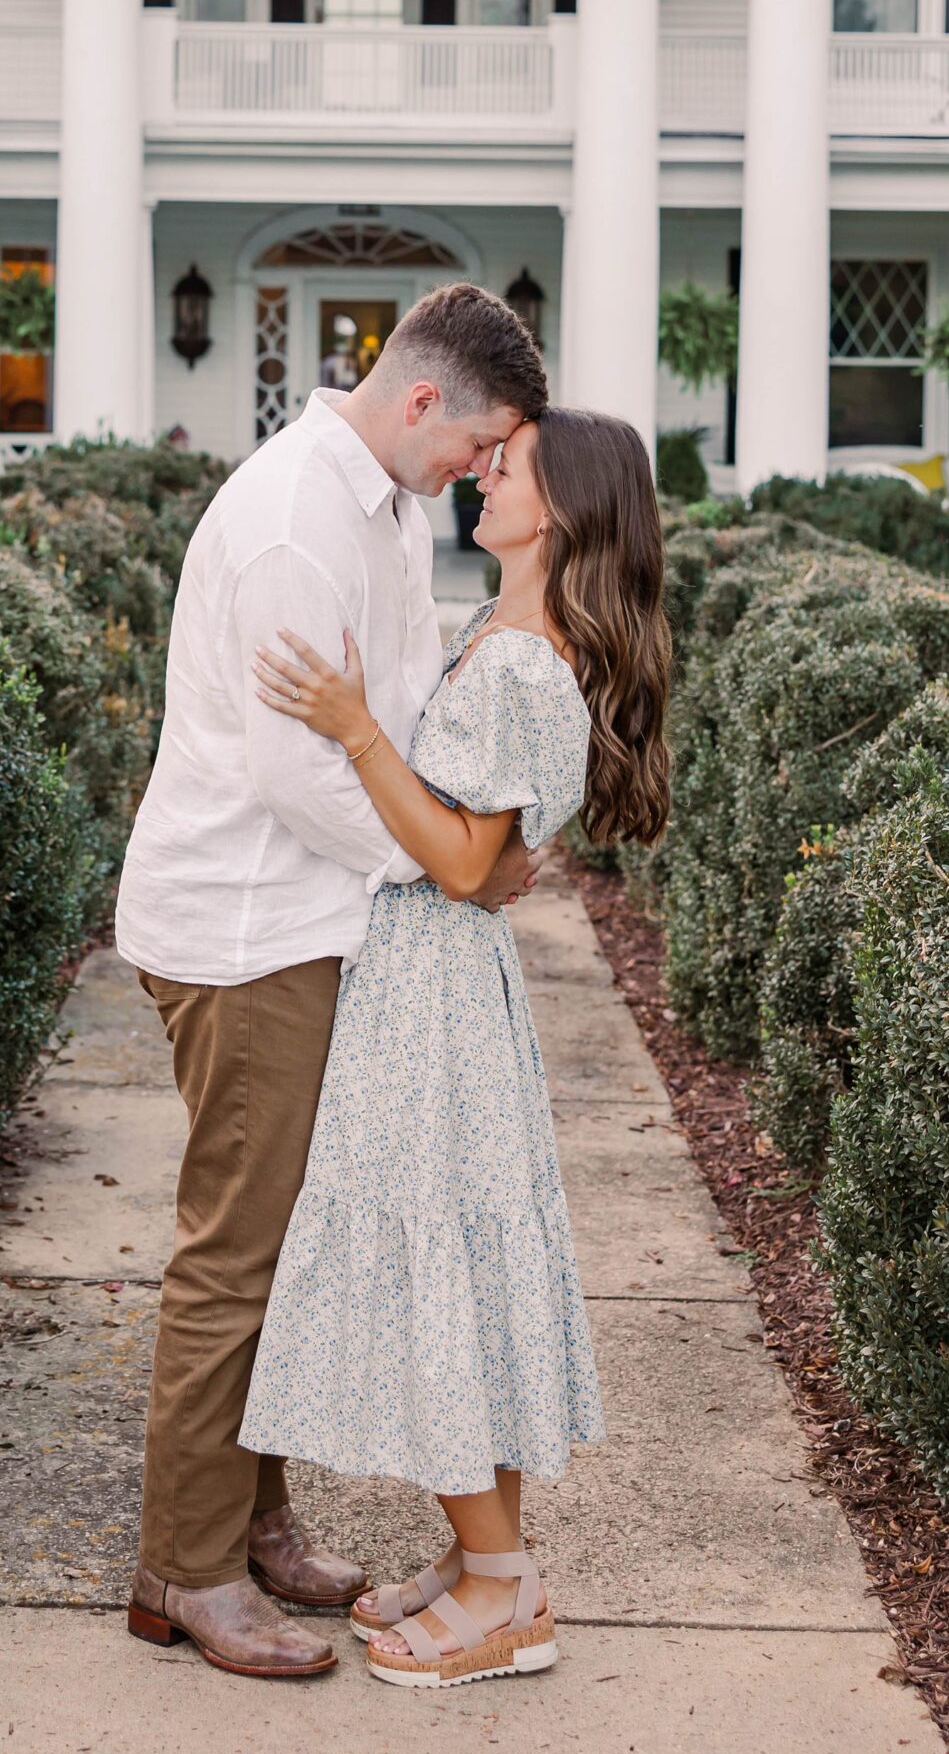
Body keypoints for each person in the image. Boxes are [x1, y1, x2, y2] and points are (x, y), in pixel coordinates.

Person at [117, 283, 549, 1681]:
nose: (474, 475)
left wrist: (465, 832)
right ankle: (180, 1573)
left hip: (319, 918)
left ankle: (255, 1523)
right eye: (472, 449)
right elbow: (296, 771)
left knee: (280, 1245)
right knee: (236, 1254)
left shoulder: (378, 503)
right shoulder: (299, 521)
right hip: (250, 927)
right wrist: (446, 867)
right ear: (420, 400)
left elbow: (400, 715)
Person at [239, 406, 672, 1690]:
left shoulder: (525, 658)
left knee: (438, 1276)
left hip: (431, 996)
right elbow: (488, 855)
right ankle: (491, 1562)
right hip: (439, 985)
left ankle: (501, 1592)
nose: (485, 473)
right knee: (461, 1272)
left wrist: (351, 719)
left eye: (511, 466)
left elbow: (467, 859)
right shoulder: (512, 631)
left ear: (564, 511)